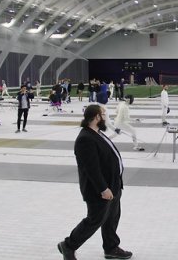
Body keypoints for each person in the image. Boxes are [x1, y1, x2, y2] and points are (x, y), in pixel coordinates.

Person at [58, 105, 132, 260]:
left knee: (112, 218)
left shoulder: (97, 133)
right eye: (104, 114)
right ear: (97, 117)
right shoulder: (85, 138)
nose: (106, 118)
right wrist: (103, 189)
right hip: (99, 190)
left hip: (113, 186)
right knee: (94, 220)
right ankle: (69, 245)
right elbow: (91, 169)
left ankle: (111, 248)